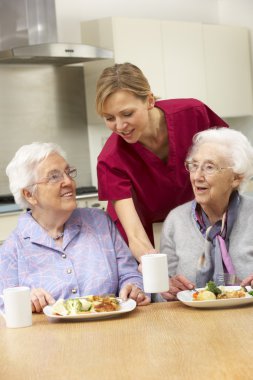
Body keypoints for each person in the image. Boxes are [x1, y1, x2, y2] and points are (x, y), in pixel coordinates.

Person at [96, 62, 228, 262]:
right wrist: (157, 268)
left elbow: (230, 160)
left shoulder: (193, 114)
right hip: (139, 226)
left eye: (127, 114)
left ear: (149, 101)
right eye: (109, 118)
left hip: (194, 214)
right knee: (151, 285)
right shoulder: (110, 160)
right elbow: (135, 236)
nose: (120, 126)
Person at [0, 142, 150, 312]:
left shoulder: (100, 222)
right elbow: (4, 307)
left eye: (68, 172)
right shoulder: (12, 249)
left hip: (110, 331)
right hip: (50, 337)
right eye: (54, 177)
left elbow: (130, 274)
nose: (68, 181)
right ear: (29, 195)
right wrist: (23, 302)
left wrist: (134, 287)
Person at [159, 128, 253, 301]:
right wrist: (167, 290)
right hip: (193, 321)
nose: (197, 176)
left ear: (236, 178)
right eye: (194, 166)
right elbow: (161, 292)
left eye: (209, 167)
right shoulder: (176, 220)